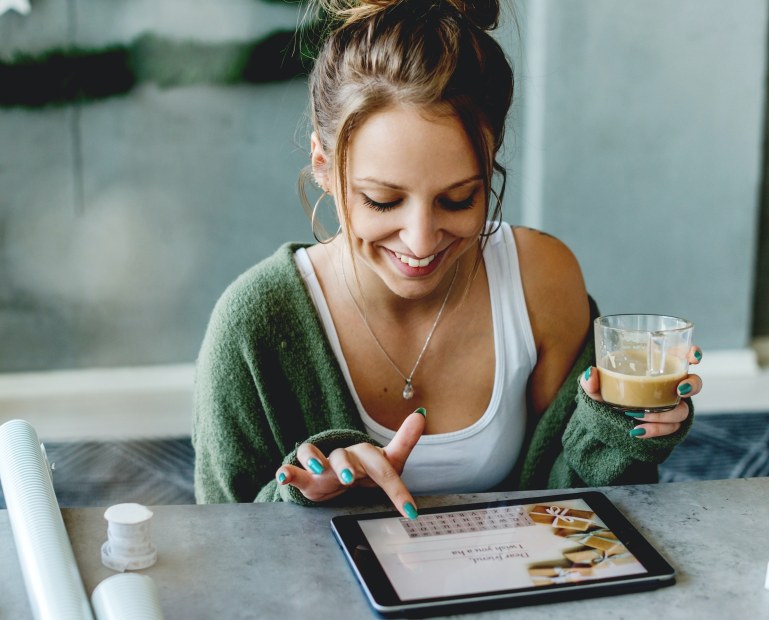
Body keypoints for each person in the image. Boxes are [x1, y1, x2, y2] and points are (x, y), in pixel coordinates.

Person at [191, 0, 701, 519]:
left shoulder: (542, 281)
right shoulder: (254, 326)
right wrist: (304, 498)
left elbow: (586, 512)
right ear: (323, 164)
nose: (420, 241)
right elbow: (227, 550)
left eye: (458, 199)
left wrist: (618, 433)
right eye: (382, 200)